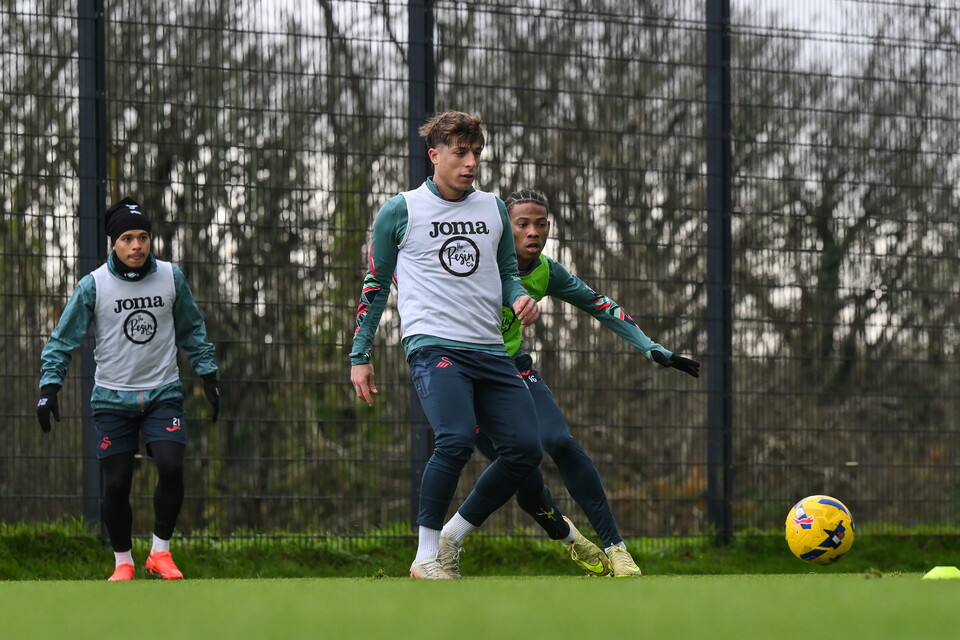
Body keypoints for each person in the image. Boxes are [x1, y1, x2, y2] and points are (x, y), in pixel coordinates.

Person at [350, 111, 549, 580]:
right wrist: (361, 355)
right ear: (434, 154)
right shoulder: (401, 210)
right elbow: (375, 285)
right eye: (460, 153)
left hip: (490, 350)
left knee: (524, 450)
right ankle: (424, 557)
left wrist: (520, 295)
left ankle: (451, 538)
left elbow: (504, 273)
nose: (470, 163)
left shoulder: (494, 209)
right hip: (434, 345)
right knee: (456, 438)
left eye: (476, 153)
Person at [474, 189, 700, 577]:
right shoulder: (475, 263)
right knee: (524, 478)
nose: (533, 232)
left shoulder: (546, 271)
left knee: (560, 440)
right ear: (502, 227)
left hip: (515, 370)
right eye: (523, 224)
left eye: (541, 224)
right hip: (470, 376)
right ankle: (567, 537)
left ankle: (618, 549)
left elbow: (599, 304)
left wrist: (651, 348)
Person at [36, 197, 220, 581]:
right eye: (127, 238)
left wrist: (208, 375)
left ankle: (160, 553)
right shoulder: (93, 285)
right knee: (117, 482)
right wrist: (49, 386)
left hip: (162, 392)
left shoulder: (171, 277)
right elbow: (62, 340)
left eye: (143, 237)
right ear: (113, 244)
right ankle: (123, 561)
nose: (137, 245)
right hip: (111, 398)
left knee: (170, 466)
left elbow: (191, 329)